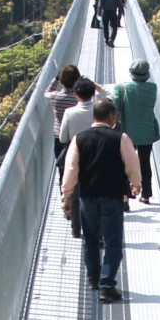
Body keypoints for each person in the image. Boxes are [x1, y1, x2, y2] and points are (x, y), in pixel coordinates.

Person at [64, 96, 141, 302]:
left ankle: (93, 279)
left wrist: (67, 195)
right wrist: (136, 183)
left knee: (90, 241)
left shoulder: (79, 139)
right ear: (111, 116)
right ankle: (107, 286)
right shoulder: (120, 138)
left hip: (87, 197)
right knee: (113, 242)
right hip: (112, 196)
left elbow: (71, 169)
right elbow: (132, 163)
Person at [58, 78, 101, 235]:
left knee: (76, 194)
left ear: (75, 94)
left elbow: (63, 138)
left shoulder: (69, 113)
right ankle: (97, 231)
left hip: (75, 155)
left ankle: (76, 229)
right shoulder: (98, 110)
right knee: (96, 193)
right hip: (97, 156)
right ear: (93, 94)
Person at [115, 60, 160, 203]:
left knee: (124, 163)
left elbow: (115, 107)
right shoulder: (153, 87)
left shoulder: (121, 88)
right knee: (145, 162)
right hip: (147, 130)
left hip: (127, 131)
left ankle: (126, 196)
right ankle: (146, 195)